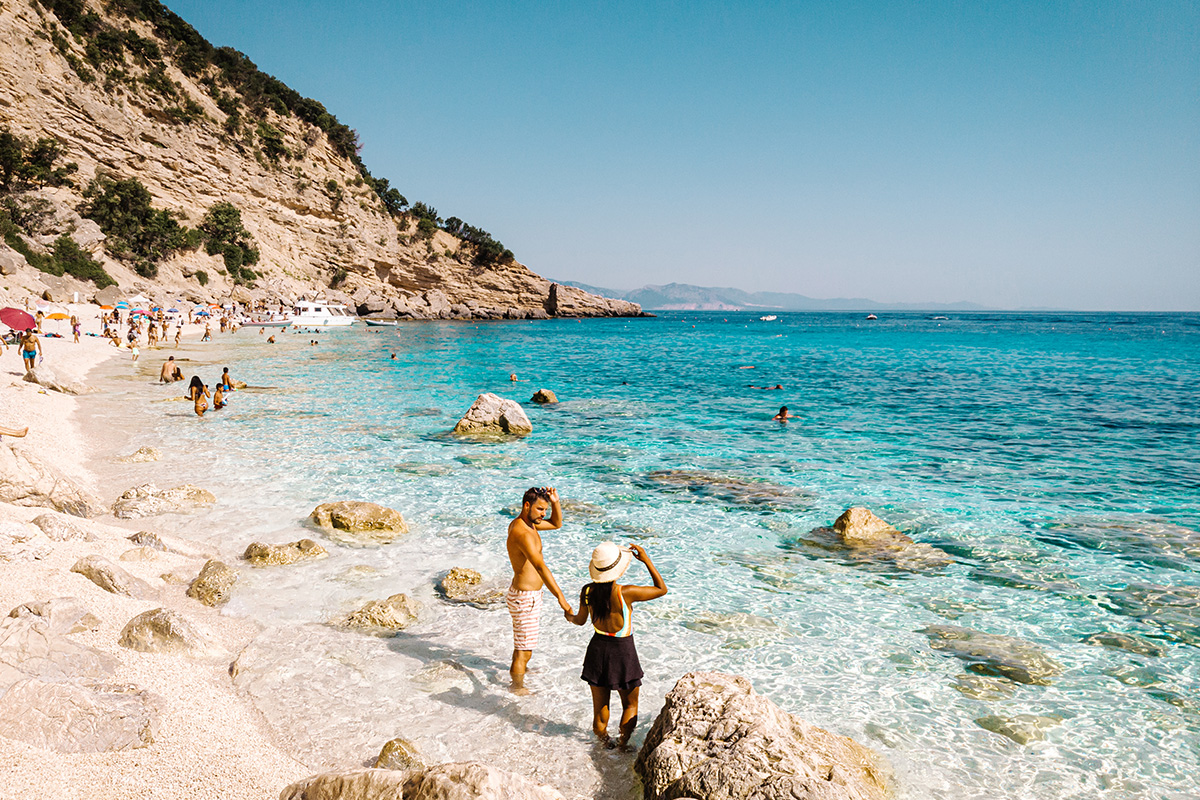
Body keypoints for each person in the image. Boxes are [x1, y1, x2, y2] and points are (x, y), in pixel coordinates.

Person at [568, 542, 667, 750]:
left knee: (600, 709)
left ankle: (605, 743)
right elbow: (661, 589)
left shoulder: (587, 591)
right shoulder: (626, 592)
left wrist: (569, 616)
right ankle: (623, 745)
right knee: (630, 704)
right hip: (623, 652)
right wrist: (646, 559)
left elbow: (580, 620)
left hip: (597, 650)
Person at [505, 486, 572, 694]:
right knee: (523, 650)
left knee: (525, 646)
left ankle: (521, 672)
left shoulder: (528, 524)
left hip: (527, 596)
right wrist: (561, 598)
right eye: (541, 509)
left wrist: (555, 502)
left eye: (545, 509)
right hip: (525, 598)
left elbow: (556, 524)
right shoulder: (522, 532)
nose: (544, 514)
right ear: (527, 506)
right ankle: (516, 688)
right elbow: (541, 567)